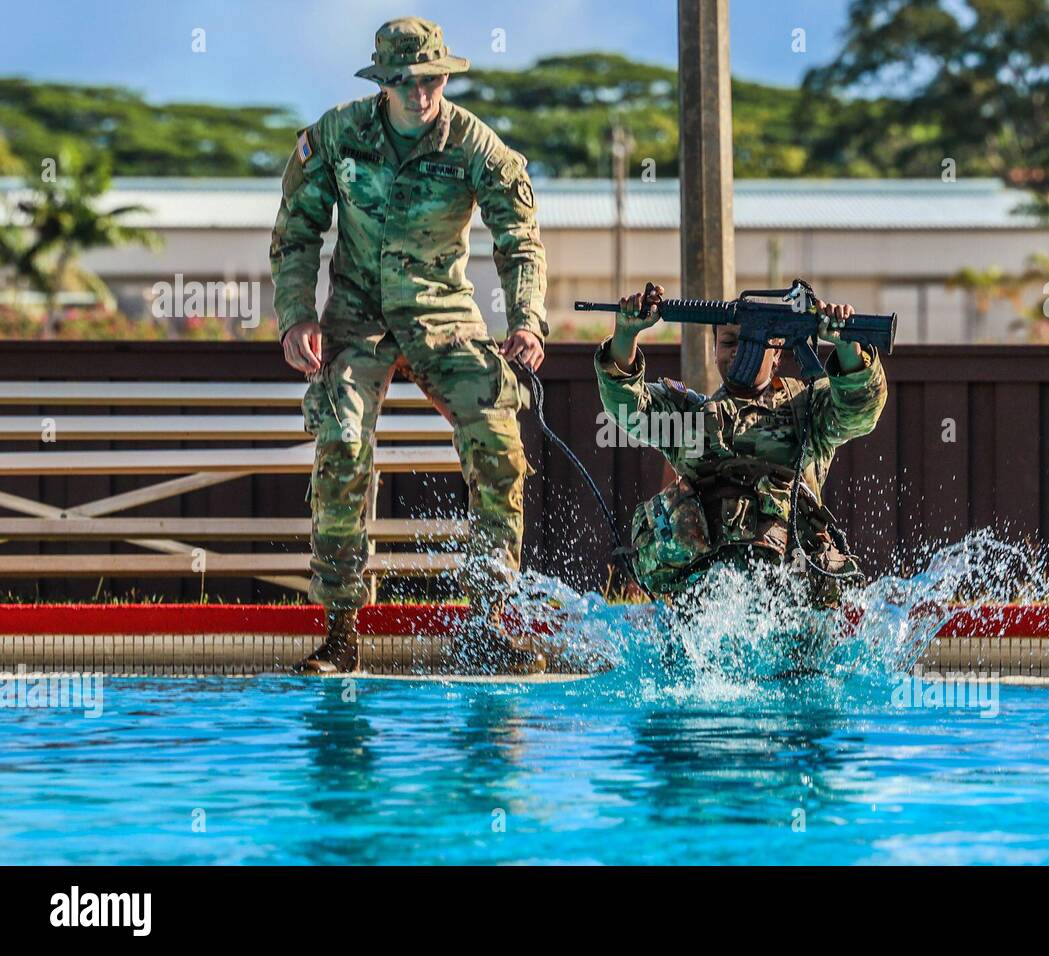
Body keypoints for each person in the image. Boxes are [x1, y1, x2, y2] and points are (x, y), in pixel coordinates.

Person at [270, 17, 547, 674]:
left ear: (444, 77)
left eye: (429, 79)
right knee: (340, 439)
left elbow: (520, 239)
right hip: (357, 311)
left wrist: (528, 321)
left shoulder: (477, 144)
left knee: (496, 433)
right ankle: (341, 631)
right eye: (403, 80)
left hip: (441, 310)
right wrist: (294, 317)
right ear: (383, 82)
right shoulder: (337, 135)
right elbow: (296, 231)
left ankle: (490, 624)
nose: (418, 92)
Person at [594, 284, 888, 610]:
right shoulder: (687, 417)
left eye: (751, 342)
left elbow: (860, 411)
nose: (736, 351)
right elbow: (627, 409)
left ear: (778, 350)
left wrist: (847, 347)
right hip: (707, 604)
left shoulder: (809, 410)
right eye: (729, 342)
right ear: (714, 350)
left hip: (792, 599)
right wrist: (625, 336)